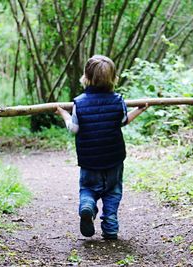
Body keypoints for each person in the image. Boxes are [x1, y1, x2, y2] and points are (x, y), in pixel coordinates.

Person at [55, 55, 148, 240]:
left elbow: (74, 128)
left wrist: (64, 114)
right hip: (114, 160)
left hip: (90, 162)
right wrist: (139, 109)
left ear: (86, 77)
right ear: (113, 78)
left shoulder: (79, 103)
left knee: (88, 189)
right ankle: (111, 228)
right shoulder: (118, 100)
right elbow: (123, 121)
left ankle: (87, 206)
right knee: (112, 193)